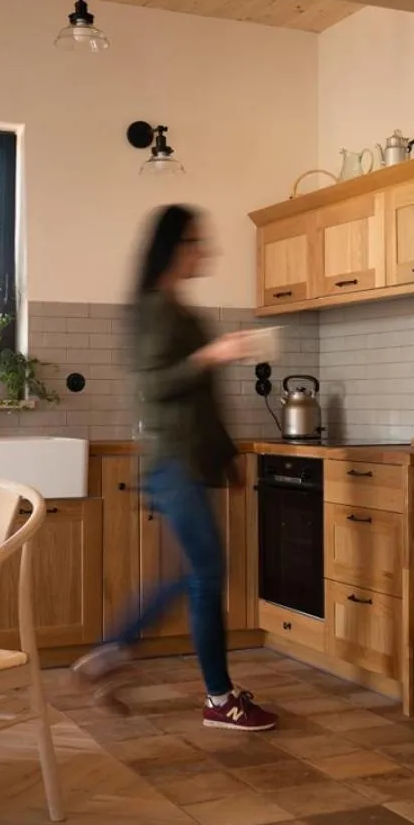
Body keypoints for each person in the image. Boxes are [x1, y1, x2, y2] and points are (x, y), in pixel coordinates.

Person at [72, 205, 278, 732]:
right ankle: (217, 698)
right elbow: (154, 387)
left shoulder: (180, 312)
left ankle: (111, 652)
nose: (205, 251)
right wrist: (211, 357)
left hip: (189, 462)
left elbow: (201, 402)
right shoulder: (151, 311)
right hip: (174, 464)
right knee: (205, 576)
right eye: (196, 241)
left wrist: (228, 454)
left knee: (191, 576)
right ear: (173, 246)